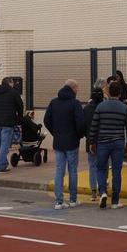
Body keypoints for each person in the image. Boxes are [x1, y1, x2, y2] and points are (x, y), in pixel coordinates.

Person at [88, 81, 127, 209]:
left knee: (101, 168)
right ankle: (115, 201)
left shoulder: (101, 107)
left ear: (108, 92)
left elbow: (94, 126)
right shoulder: (125, 108)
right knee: (117, 171)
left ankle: (102, 192)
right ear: (119, 93)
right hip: (118, 142)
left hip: (102, 142)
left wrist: (92, 142)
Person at [43, 79, 85, 209]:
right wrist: (79, 135)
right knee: (72, 170)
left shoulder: (54, 102)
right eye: (77, 88)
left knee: (59, 170)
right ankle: (73, 199)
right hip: (72, 141)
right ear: (73, 88)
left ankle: (59, 201)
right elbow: (80, 123)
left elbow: (46, 120)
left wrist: (55, 132)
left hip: (59, 141)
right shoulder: (75, 103)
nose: (78, 91)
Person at [0, 77, 24, 174]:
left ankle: (4, 164)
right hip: (8, 122)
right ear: (10, 83)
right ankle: (0, 166)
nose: (13, 84)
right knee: (5, 146)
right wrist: (19, 116)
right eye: (13, 83)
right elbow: (20, 106)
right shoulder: (13, 93)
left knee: (1, 146)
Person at [81, 81, 105, 201]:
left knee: (92, 166)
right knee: (103, 166)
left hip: (91, 141)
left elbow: (83, 125)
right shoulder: (104, 107)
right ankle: (102, 189)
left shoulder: (86, 109)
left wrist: (87, 136)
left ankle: (93, 192)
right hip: (104, 140)